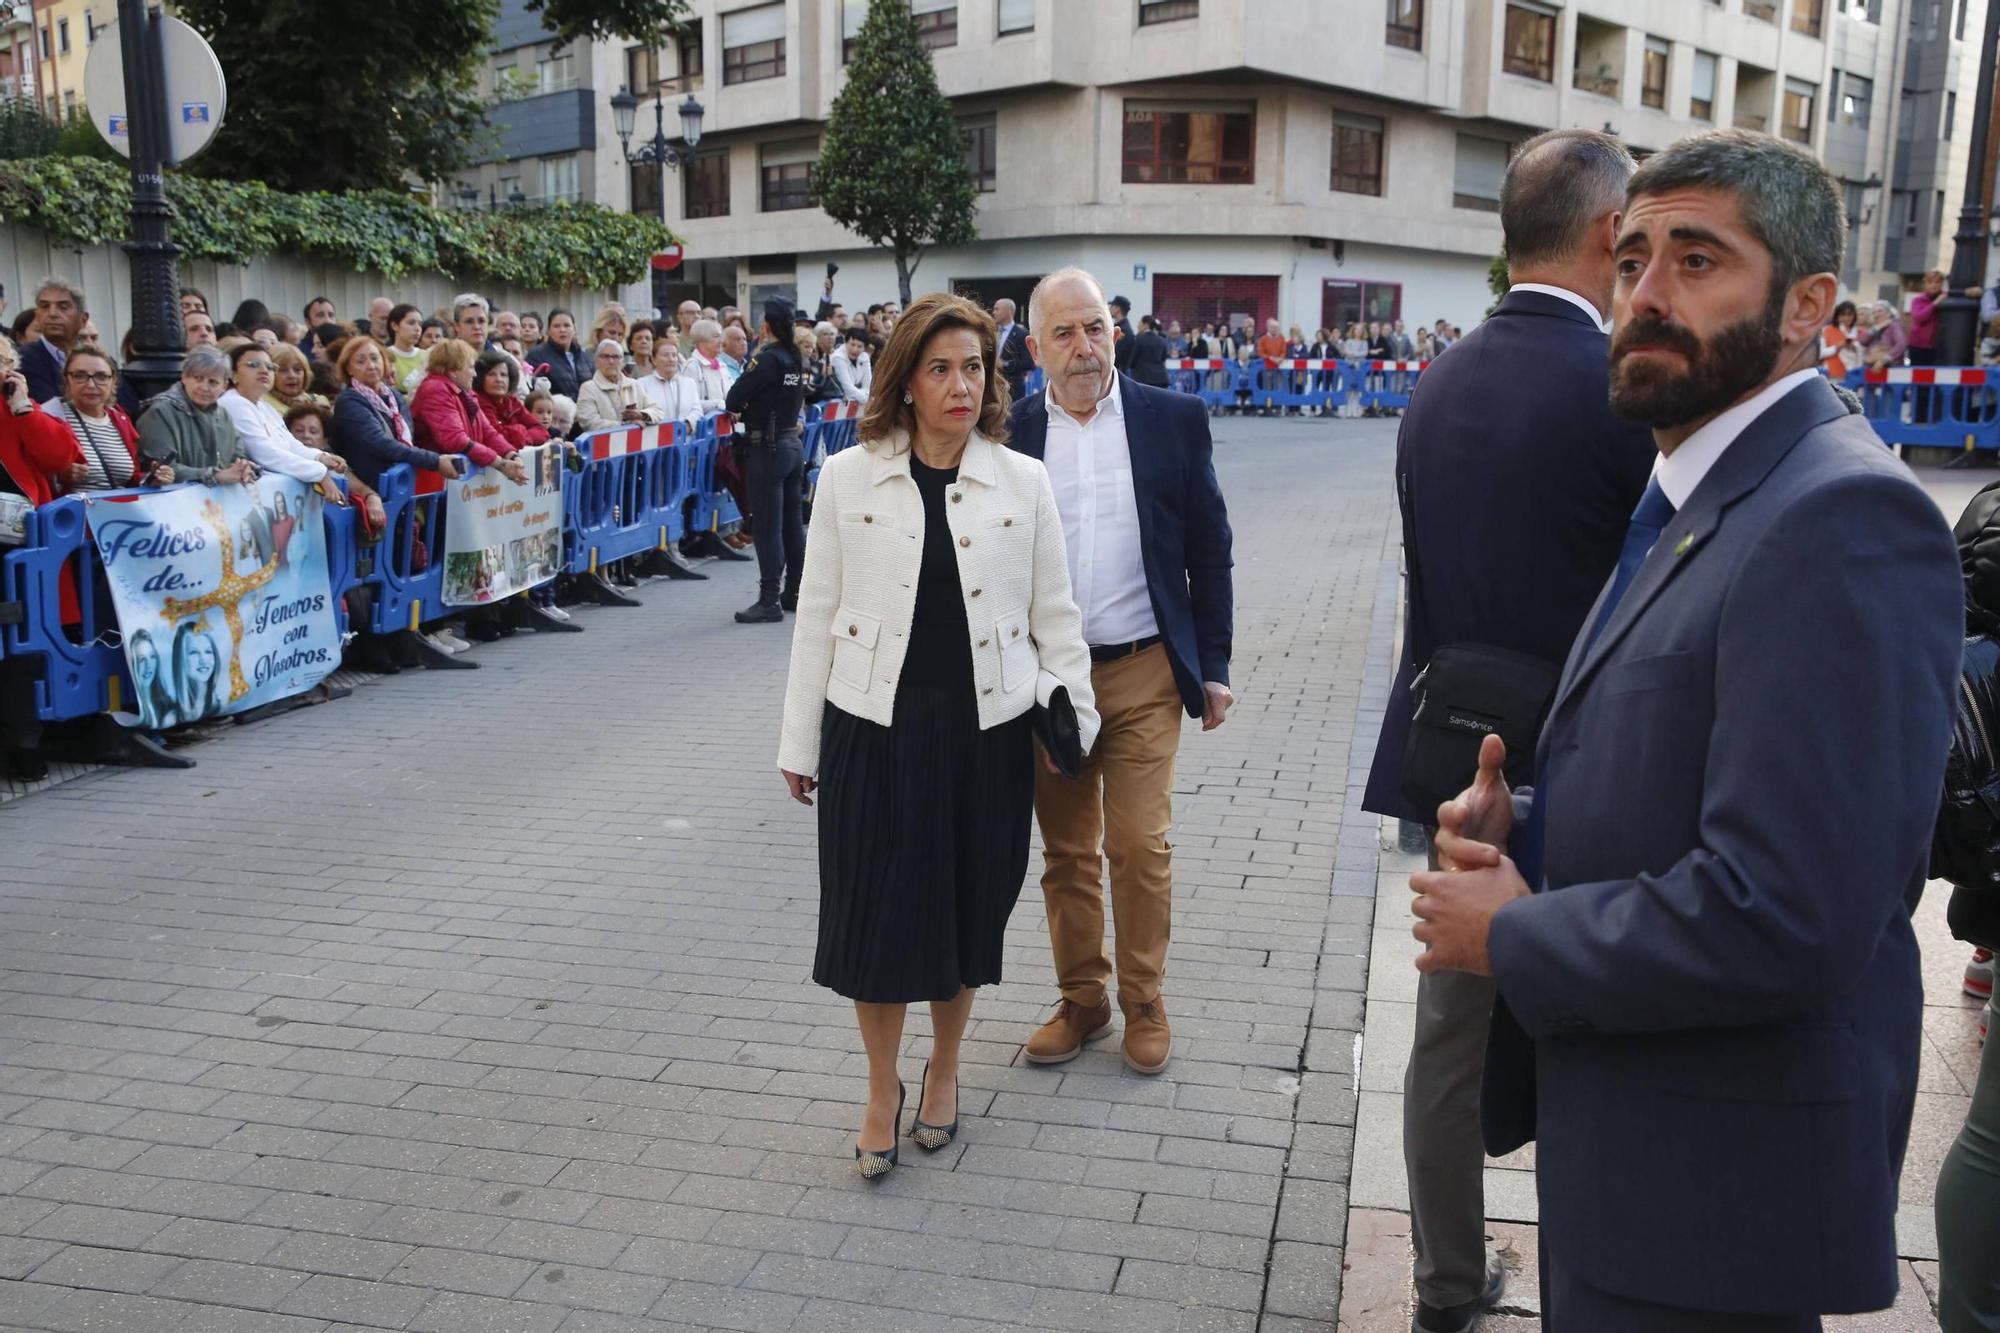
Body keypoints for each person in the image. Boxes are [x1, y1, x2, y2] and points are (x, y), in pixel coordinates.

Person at [1412, 129, 1961, 1331]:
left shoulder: (1839, 516)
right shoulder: (1696, 486)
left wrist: (1514, 934)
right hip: (1645, 1157)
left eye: (1696, 260)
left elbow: (1790, 909)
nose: (1644, 297)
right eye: (1631, 258)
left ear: (1808, 305)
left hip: (1716, 1200)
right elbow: (1699, 773)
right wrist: (1533, 829)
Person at [1352, 129, 1653, 1333]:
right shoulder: (1621, 388)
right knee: (1592, 1025)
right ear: (1599, 234)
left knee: (1448, 1038)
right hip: (1587, 769)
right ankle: (1597, 1280)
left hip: (1451, 759)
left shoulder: (1438, 376)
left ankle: (1442, 1284)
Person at [775, 291, 1098, 1181]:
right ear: (906, 381)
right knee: (874, 919)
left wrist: (1074, 720)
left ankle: (945, 1068)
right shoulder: (847, 476)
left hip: (983, 734)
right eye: (941, 368)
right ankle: (881, 1087)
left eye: (975, 367)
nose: (962, 385)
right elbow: (817, 616)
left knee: (962, 914)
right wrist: (800, 743)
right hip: (871, 729)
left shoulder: (1020, 480)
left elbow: (1056, 621)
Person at [1010, 266, 1234, 1077]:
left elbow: (1210, 547)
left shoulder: (1172, 419)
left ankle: (1144, 999)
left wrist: (1213, 664)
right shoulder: (1008, 436)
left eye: (1095, 326)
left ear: (1116, 329)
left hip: (1143, 669)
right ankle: (1083, 1001)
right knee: (1068, 852)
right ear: (1034, 348)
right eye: (1064, 333)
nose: (1084, 347)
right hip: (1049, 683)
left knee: (1139, 845)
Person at [725, 300, 810, 623]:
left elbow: (733, 399)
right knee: (791, 524)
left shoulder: (766, 360)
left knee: (767, 526)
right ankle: (793, 592)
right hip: (791, 443)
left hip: (768, 448)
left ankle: (769, 598)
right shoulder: (794, 358)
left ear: (765, 327)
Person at [330, 337, 464, 492]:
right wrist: (435, 461)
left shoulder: (394, 395)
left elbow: (408, 437)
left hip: (400, 484)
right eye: (361, 362)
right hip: (365, 489)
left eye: (375, 358)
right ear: (349, 369)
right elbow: (379, 443)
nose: (371, 366)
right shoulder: (348, 401)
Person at [218, 344, 347, 506]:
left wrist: (320, 457)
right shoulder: (233, 404)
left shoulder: (263, 406)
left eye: (270, 367)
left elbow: (290, 444)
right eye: (253, 365)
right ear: (233, 374)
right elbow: (265, 454)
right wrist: (319, 473)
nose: (264, 370)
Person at [410, 339, 527, 491]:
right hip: (434, 481)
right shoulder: (435, 390)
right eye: (470, 367)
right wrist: (500, 464)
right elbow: (455, 440)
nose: (475, 373)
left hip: (455, 483)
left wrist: (512, 455)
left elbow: (488, 432)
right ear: (453, 370)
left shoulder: (466, 393)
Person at [136, 348, 257, 488]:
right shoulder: (159, 413)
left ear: (224, 386)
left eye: (213, 382)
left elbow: (238, 455)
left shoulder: (223, 415)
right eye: (198, 379)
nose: (204, 387)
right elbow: (160, 469)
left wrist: (243, 468)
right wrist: (213, 475)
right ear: (184, 377)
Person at [43, 344, 140, 491]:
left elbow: (134, 478)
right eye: (80, 376)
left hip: (120, 511)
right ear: (67, 380)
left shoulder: (121, 420)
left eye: (101, 377)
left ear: (113, 382)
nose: (91, 384)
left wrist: (154, 477)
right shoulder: (50, 416)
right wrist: (57, 475)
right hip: (75, 511)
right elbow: (34, 471)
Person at [574, 339, 666, 434]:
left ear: (622, 362)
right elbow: (589, 423)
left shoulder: (634, 384)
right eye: (605, 357)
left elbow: (658, 411)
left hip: (636, 445)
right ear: (597, 361)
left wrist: (642, 415)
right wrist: (625, 426)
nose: (611, 361)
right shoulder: (588, 388)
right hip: (604, 446)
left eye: (616, 357)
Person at [20, 279, 85, 404]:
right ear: (37, 316)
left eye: (63, 307)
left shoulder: (100, 362)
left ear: (83, 319)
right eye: (45, 306)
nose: (53, 314)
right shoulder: (21, 360)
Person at [473, 351, 553, 450]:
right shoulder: (478, 403)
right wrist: (521, 430)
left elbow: (541, 431)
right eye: (491, 374)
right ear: (481, 379)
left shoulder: (513, 402)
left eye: (503, 375)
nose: (498, 379)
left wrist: (523, 437)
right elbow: (497, 439)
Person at [529, 309, 591, 402]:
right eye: (556, 326)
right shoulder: (536, 356)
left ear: (574, 329)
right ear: (548, 331)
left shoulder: (585, 357)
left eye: (567, 325)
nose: (562, 330)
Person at [170, 621, 224, 725]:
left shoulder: (221, 705)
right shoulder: (170, 716)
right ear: (180, 658)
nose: (203, 660)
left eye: (208, 652)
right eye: (194, 653)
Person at [638, 342, 702, 426]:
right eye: (665, 355)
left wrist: (687, 426)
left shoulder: (689, 383)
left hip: (686, 437)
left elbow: (697, 410)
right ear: (653, 360)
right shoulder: (641, 384)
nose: (671, 359)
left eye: (674, 355)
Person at [686, 319, 734, 413]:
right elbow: (690, 403)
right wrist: (720, 404)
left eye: (721, 336)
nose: (721, 341)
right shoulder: (692, 366)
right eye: (716, 336)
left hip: (724, 425)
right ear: (701, 341)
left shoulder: (722, 366)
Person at [994, 297, 1032, 399]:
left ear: (1009, 311)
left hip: (1013, 390)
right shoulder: (992, 333)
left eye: (997, 309)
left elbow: (1029, 363)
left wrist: (1005, 365)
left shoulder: (1021, 334)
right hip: (993, 388)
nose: (994, 312)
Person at [385, 303, 429, 391]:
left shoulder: (427, 356)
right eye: (411, 323)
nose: (417, 328)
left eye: (420, 324)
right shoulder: (385, 356)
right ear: (394, 326)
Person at [267, 345, 315, 414]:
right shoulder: (263, 406)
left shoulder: (319, 402)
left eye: (297, 369)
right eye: (283, 370)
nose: (292, 376)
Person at [1861, 299, 1908, 370]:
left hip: (1890, 368)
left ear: (1888, 313)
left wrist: (1885, 359)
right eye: (1874, 312)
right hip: (1871, 367)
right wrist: (1877, 327)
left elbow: (1902, 344)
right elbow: (1862, 341)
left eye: (1880, 311)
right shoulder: (1875, 327)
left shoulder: (1895, 325)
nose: (1876, 314)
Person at [829, 327, 872, 403]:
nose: (855, 349)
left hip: (858, 399)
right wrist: (865, 398)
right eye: (852, 344)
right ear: (845, 343)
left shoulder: (864, 357)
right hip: (839, 399)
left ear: (864, 348)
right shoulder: (838, 358)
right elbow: (848, 388)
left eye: (859, 346)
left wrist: (865, 396)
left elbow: (867, 385)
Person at [1822, 300, 1862, 380]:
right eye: (1843, 315)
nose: (1846, 318)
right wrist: (1838, 346)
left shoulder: (1860, 331)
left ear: (1854, 316)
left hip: (1855, 377)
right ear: (1837, 316)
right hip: (1833, 375)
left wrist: (1856, 349)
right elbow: (1820, 353)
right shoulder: (1827, 330)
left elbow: (1865, 354)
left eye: (1849, 314)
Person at [1128, 315, 1171, 389]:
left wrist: (1129, 365)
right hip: (1161, 378)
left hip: (1143, 379)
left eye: (1140, 323)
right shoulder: (1162, 340)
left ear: (1146, 325)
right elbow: (1163, 358)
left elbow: (1133, 358)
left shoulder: (1139, 339)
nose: (1138, 326)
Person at [1109, 294, 1136, 374]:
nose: (1109, 309)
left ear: (1117, 309)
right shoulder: (1120, 326)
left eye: (1112, 306)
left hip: (1119, 372)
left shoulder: (1123, 330)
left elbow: (1116, 354)